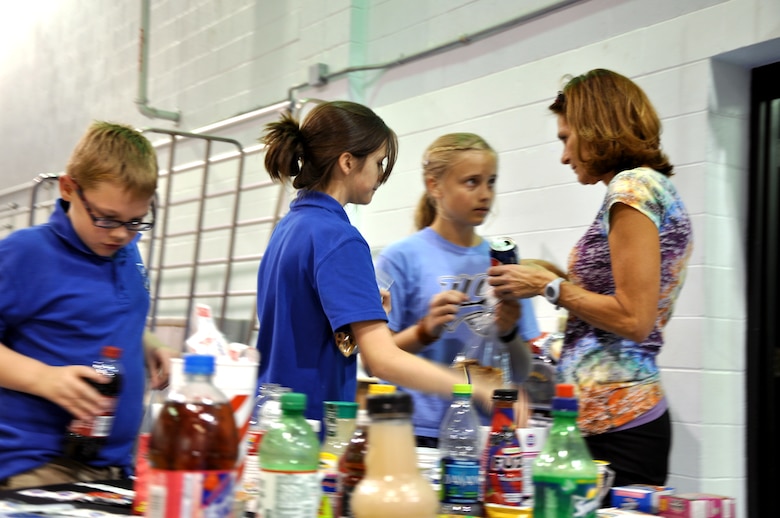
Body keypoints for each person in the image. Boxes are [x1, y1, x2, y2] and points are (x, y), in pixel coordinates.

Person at [487, 69, 693, 487]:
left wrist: (548, 287)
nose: (564, 155)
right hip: (609, 419)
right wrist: (549, 277)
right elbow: (617, 297)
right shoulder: (650, 188)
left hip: (620, 423)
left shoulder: (632, 189)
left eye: (566, 138)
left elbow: (634, 319)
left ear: (596, 128)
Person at [255, 101, 504, 427]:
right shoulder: (340, 238)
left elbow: (303, 331)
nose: (380, 176)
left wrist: (359, 320)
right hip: (310, 427)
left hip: (269, 418)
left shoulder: (289, 228)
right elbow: (383, 361)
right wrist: (473, 387)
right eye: (377, 162)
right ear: (347, 162)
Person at [0, 121, 174, 489]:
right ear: (68, 189)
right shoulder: (26, 253)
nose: (121, 234)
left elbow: (100, 316)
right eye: (107, 218)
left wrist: (149, 345)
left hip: (111, 470)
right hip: (38, 469)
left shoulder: (124, 250)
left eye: (135, 221)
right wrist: (42, 378)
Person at [374, 133, 539, 445]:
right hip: (421, 431)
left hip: (490, 431)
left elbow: (522, 368)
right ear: (434, 185)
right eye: (471, 182)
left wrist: (508, 332)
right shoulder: (400, 258)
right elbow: (378, 360)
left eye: (491, 182)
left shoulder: (504, 260)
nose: (485, 194)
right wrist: (425, 330)